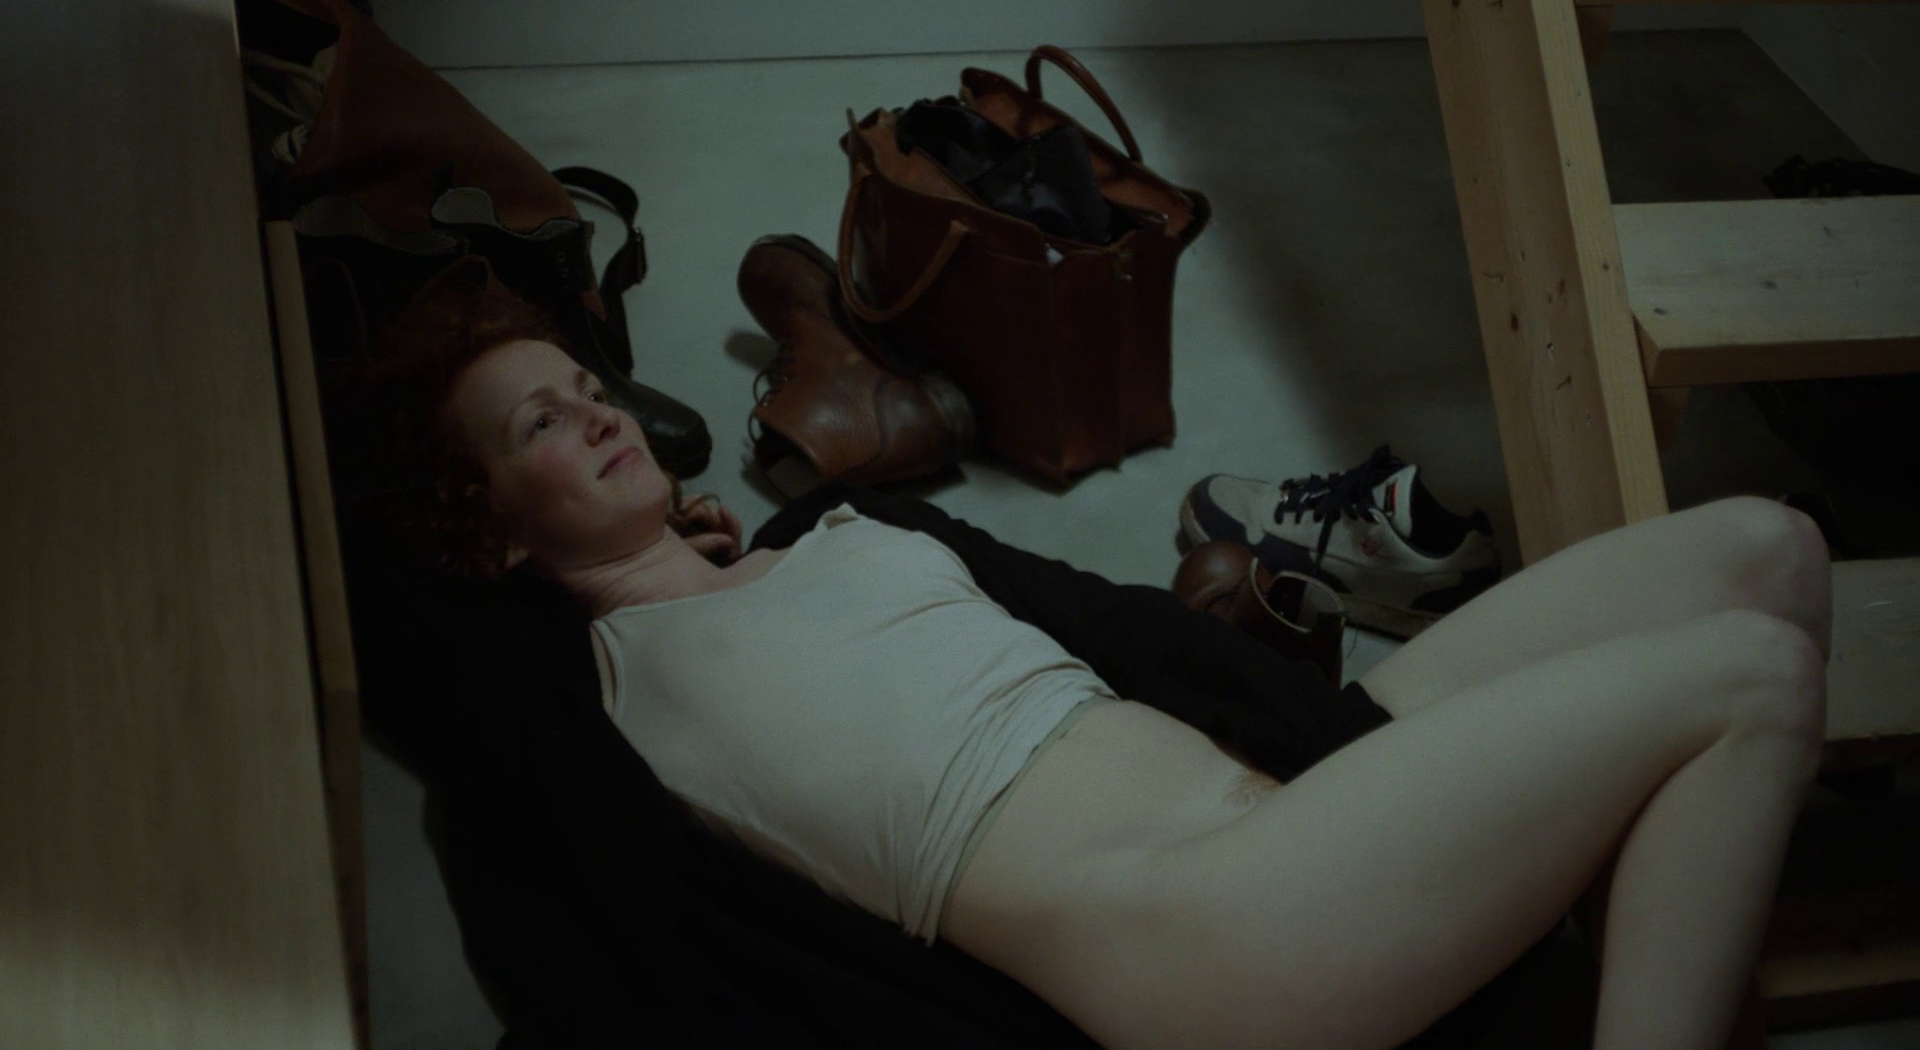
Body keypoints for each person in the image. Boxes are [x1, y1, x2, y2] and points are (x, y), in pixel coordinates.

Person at [347, 258, 1830, 1050]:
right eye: (540, 425)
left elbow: (1124, 626)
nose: (600, 415)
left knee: (1767, 551)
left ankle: (1650, 934)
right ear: (488, 534)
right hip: (1218, 943)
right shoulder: (589, 708)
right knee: (1748, 679)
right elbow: (407, 637)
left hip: (1303, 807)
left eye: (587, 385)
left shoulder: (844, 526)